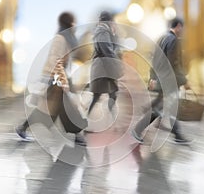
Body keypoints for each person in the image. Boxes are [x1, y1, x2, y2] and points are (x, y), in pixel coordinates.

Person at [15, 12, 87, 146]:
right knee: (62, 108)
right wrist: (62, 80)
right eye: (72, 21)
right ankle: (77, 134)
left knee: (53, 110)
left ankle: (23, 127)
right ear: (68, 23)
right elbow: (55, 59)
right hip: (56, 78)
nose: (74, 24)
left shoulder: (67, 37)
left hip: (62, 76)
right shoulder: (60, 38)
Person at [131, 17, 192, 144]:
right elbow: (173, 64)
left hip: (161, 79)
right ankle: (138, 130)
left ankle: (177, 135)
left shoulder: (161, 38)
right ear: (179, 26)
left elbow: (155, 60)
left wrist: (153, 77)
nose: (182, 30)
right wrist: (184, 80)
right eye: (182, 28)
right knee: (167, 108)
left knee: (164, 107)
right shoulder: (173, 40)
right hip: (168, 81)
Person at [87, 11, 123, 115]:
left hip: (104, 68)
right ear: (109, 21)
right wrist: (117, 64)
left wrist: (114, 33)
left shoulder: (103, 30)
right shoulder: (102, 31)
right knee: (99, 96)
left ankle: (113, 120)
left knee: (111, 95)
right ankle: (85, 120)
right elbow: (107, 49)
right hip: (102, 69)